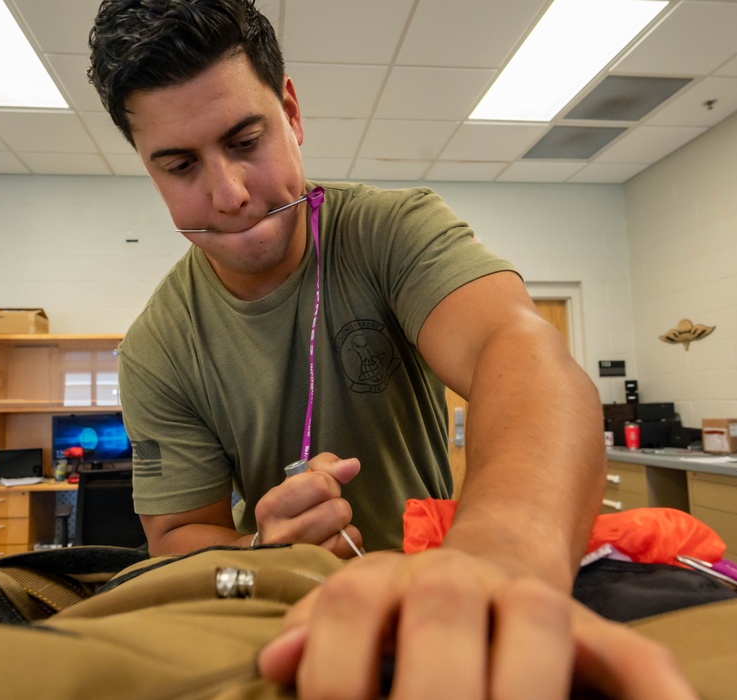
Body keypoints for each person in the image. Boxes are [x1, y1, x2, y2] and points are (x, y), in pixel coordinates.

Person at [86, 0, 695, 696]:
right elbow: (176, 540)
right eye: (179, 165)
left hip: (453, 598)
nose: (228, 195)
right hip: (285, 633)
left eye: (246, 141)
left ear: (290, 111)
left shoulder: (393, 232)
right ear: (147, 166)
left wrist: (498, 559)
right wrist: (262, 550)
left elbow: (519, 348)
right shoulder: (157, 348)